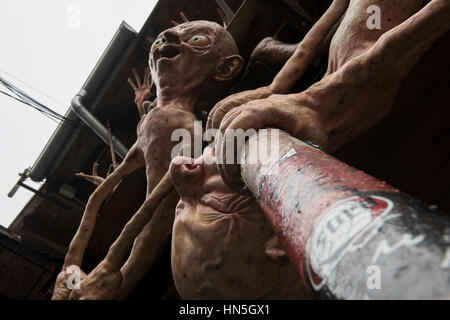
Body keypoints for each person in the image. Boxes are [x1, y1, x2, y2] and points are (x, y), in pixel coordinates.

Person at [207, 0, 450, 190]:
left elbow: (434, 17)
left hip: (361, 83)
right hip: (337, 80)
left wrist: (314, 98)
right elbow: (323, 30)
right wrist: (273, 88)